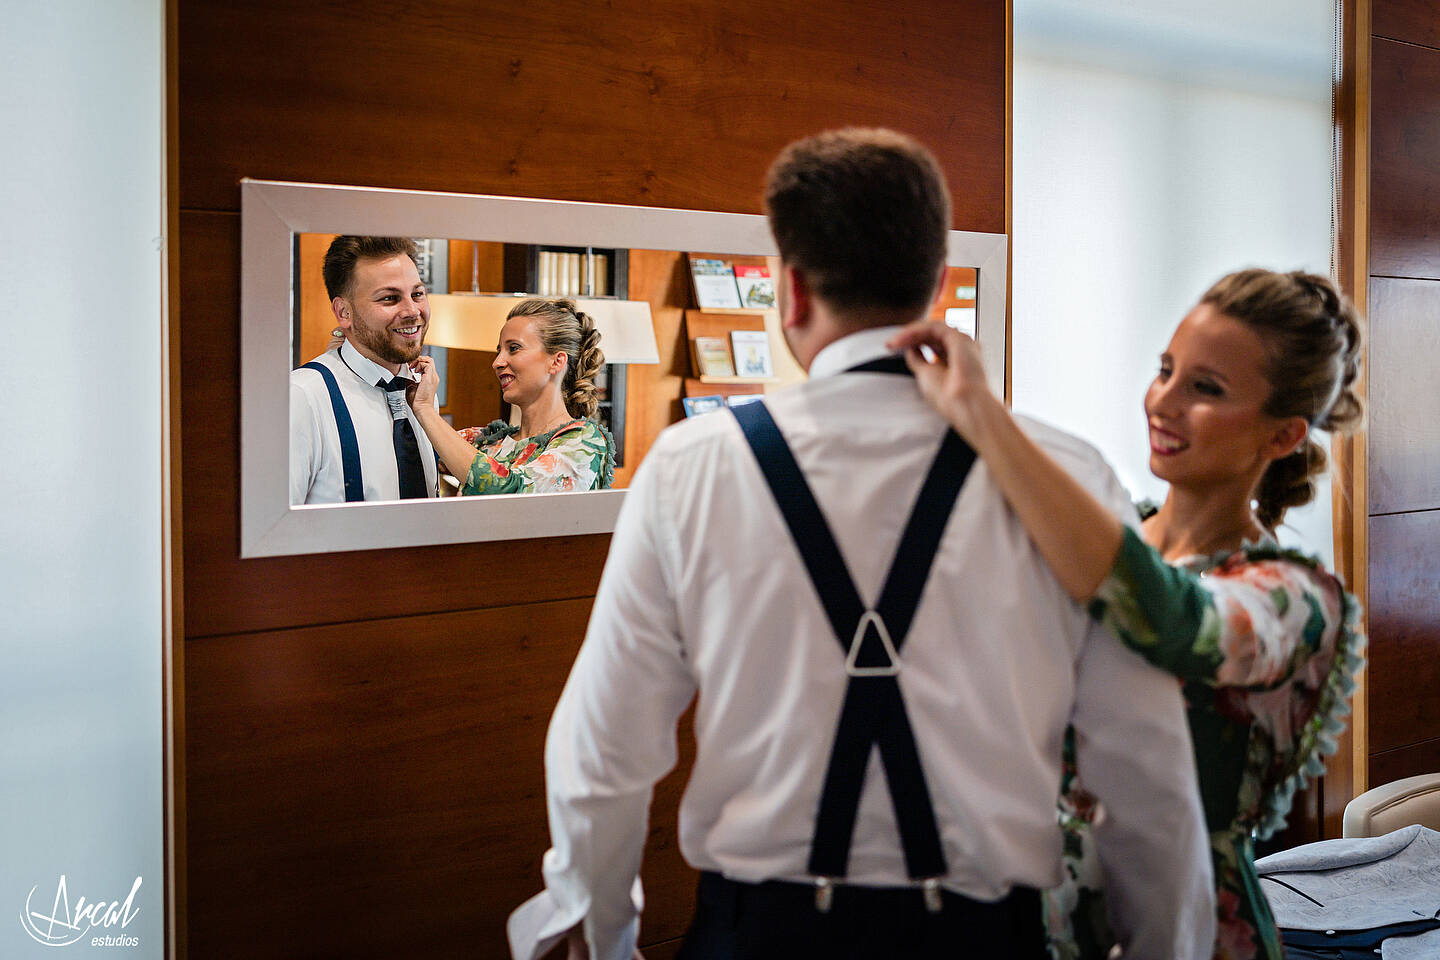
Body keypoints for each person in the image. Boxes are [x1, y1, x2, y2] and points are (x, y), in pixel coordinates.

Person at [522, 128, 1213, 960]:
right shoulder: (1066, 477)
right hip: (981, 938)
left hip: (758, 936)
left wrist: (607, 939)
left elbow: (602, 755)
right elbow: (1149, 773)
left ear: (792, 293)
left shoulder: (691, 467)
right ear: (941, 285)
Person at [888, 268, 1366, 960]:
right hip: (1036, 916)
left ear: (1283, 435)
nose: (1162, 403)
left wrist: (983, 415)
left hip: (1194, 933)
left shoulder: (1295, 600)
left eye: (1206, 388)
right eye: (1165, 370)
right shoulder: (1102, 536)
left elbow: (1177, 623)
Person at [289, 235, 439, 504]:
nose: (412, 311)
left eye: (417, 294)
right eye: (390, 298)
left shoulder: (423, 393)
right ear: (344, 312)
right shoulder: (302, 396)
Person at [410, 298, 614, 495]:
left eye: (513, 348)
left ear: (556, 362)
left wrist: (426, 410)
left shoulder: (585, 442)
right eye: (499, 351)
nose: (497, 362)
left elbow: (507, 493)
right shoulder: (484, 442)